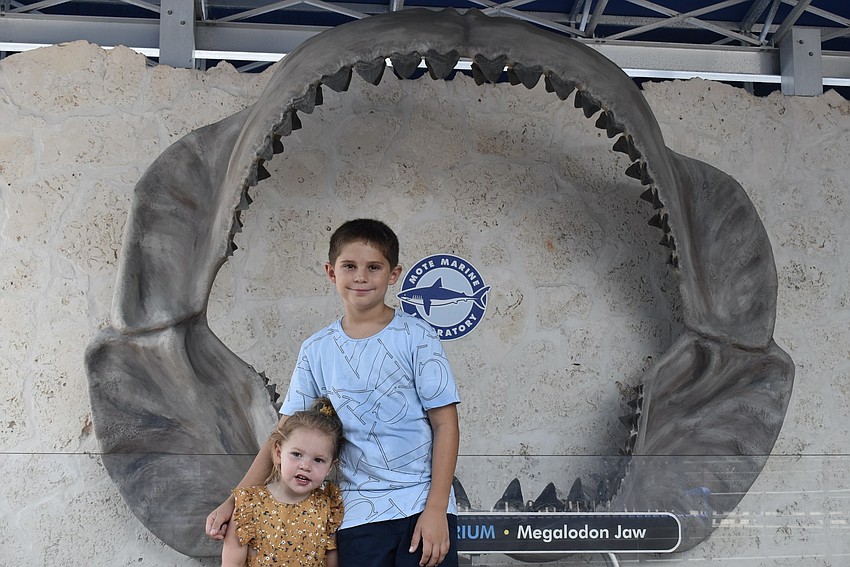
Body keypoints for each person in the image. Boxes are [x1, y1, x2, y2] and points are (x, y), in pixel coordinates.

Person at [208, 218, 461, 567]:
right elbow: (283, 432)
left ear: (393, 274)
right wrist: (234, 501)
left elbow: (446, 425)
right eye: (350, 266)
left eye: (374, 267)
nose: (361, 277)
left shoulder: (418, 337)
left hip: (422, 507)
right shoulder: (317, 349)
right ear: (331, 272)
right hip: (357, 514)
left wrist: (436, 508)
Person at [221, 397, 345, 567]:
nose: (305, 466)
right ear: (278, 453)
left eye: (318, 460)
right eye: (296, 454)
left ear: (330, 467)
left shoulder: (328, 507)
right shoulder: (248, 505)